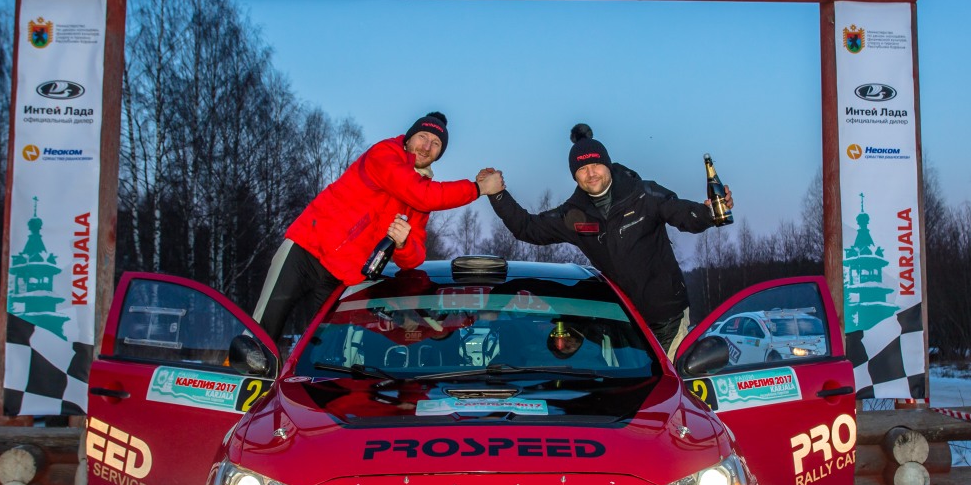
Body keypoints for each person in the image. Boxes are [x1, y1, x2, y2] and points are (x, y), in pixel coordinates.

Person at [484, 123, 731, 359]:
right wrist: (497, 195)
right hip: (622, 324)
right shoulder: (574, 215)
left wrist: (708, 214)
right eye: (582, 168)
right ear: (574, 175)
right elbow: (528, 229)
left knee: (666, 388)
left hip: (667, 316)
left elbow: (683, 215)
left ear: (607, 165)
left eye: (596, 164)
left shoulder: (643, 194)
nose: (590, 173)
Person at [253, 111, 501, 344]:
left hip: (341, 279)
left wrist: (402, 245)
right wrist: (478, 188)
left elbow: (413, 258)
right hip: (305, 251)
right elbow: (423, 195)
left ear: (440, 153)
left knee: (321, 352)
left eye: (436, 144)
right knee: (262, 334)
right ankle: (240, 384)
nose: (427, 146)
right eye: (423, 137)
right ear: (408, 137)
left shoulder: (421, 194)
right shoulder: (385, 154)